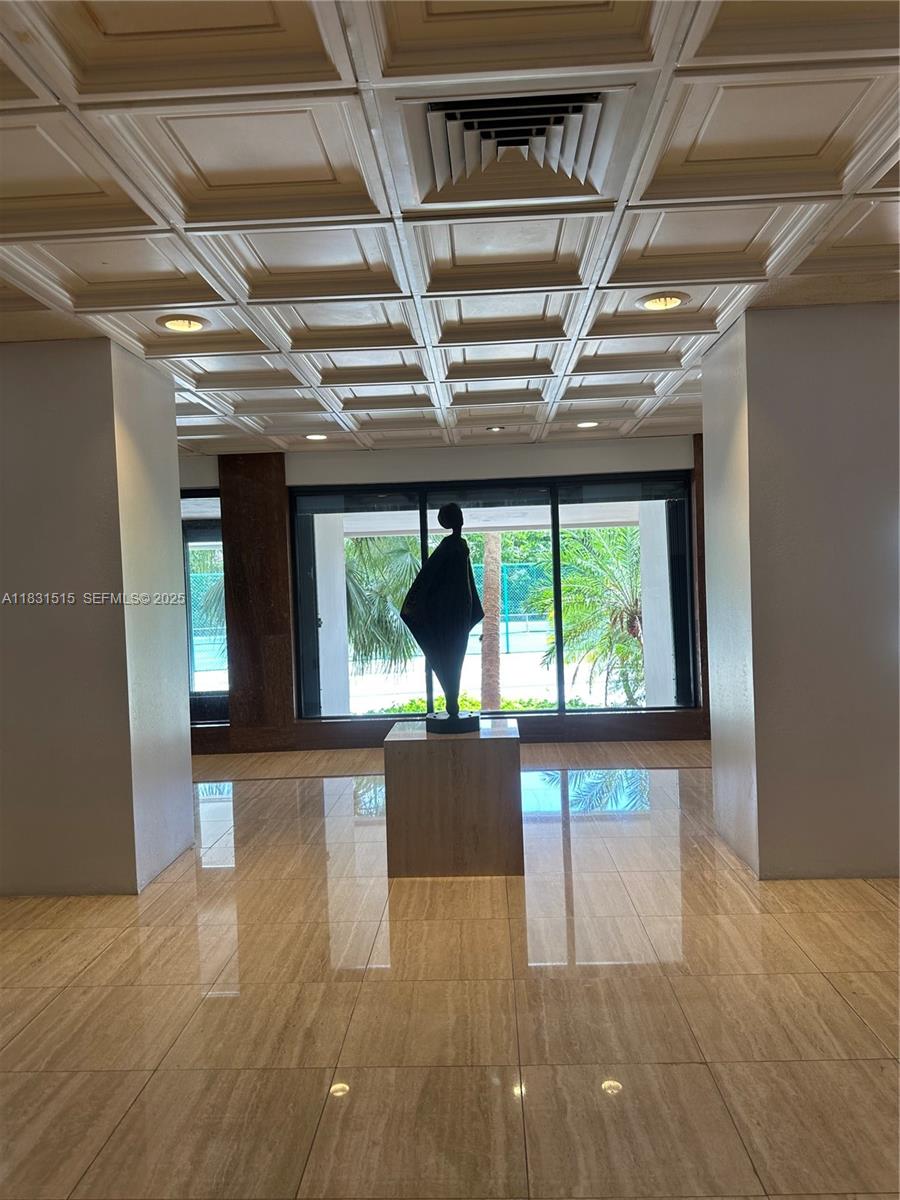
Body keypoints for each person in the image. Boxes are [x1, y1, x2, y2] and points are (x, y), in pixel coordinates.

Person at [400, 502, 484, 725]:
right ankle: (451, 697)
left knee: (454, 655)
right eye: (457, 515)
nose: (461, 519)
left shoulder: (458, 545)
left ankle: (451, 697)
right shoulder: (450, 546)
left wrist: (471, 606)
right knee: (451, 655)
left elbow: (465, 579)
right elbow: (428, 577)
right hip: (451, 612)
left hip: (459, 610)